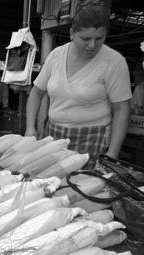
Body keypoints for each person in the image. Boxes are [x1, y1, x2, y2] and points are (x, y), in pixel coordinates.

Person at [25, 0, 132, 169]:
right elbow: (36, 93)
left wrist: (112, 154)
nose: (92, 45)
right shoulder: (56, 56)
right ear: (72, 33)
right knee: (47, 183)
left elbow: (122, 110)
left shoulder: (115, 62)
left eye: (99, 39)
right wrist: (30, 127)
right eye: (86, 38)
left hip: (91, 138)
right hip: (54, 133)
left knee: (79, 189)